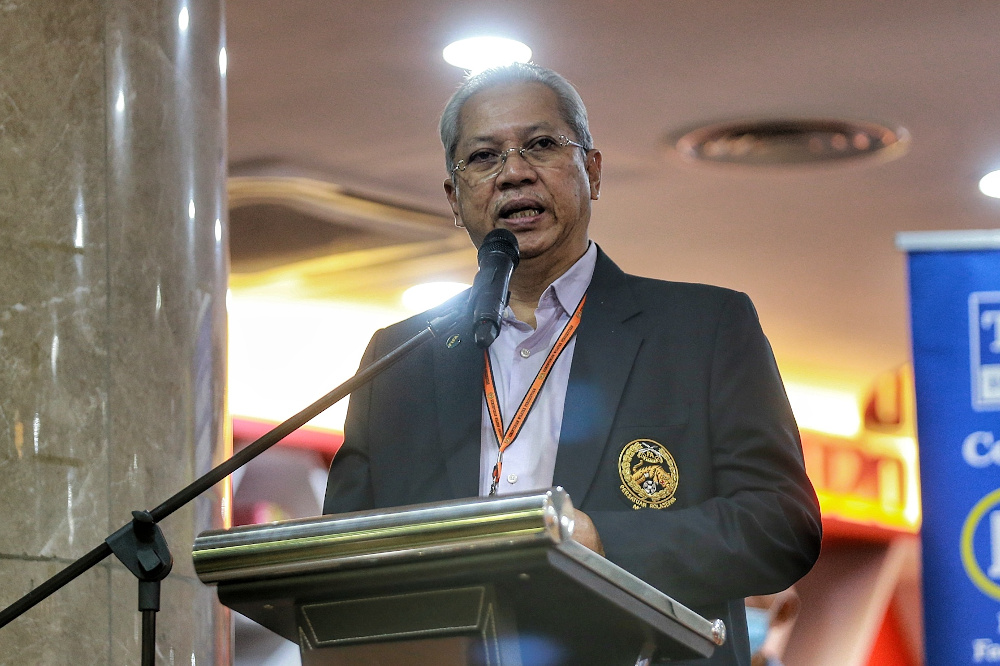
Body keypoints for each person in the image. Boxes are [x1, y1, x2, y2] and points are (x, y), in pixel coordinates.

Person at [324, 62, 822, 665]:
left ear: (592, 169)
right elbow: (340, 562)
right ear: (455, 200)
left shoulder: (702, 330)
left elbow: (780, 524)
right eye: (483, 157)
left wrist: (598, 539)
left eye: (540, 145)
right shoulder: (399, 360)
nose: (513, 172)